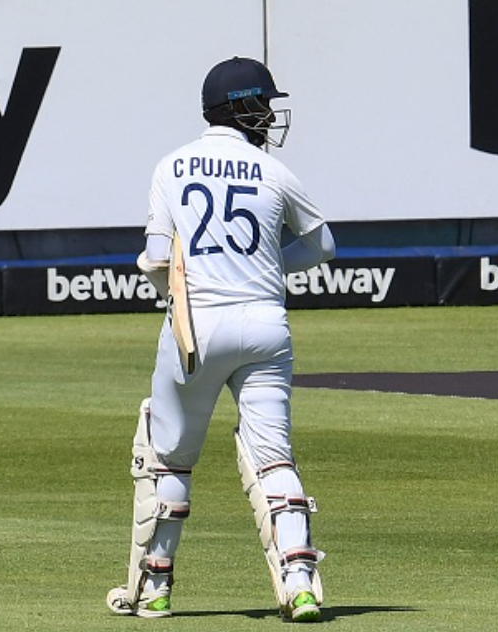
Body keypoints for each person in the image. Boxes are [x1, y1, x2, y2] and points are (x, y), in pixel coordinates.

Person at [106, 56, 335, 623]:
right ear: (241, 108)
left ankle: (154, 590)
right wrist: (265, 265)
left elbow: (158, 261)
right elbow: (323, 245)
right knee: (273, 458)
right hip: (264, 325)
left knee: (168, 461)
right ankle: (301, 583)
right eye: (264, 105)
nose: (269, 116)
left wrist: (177, 281)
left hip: (195, 326)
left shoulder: (172, 165)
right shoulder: (273, 171)